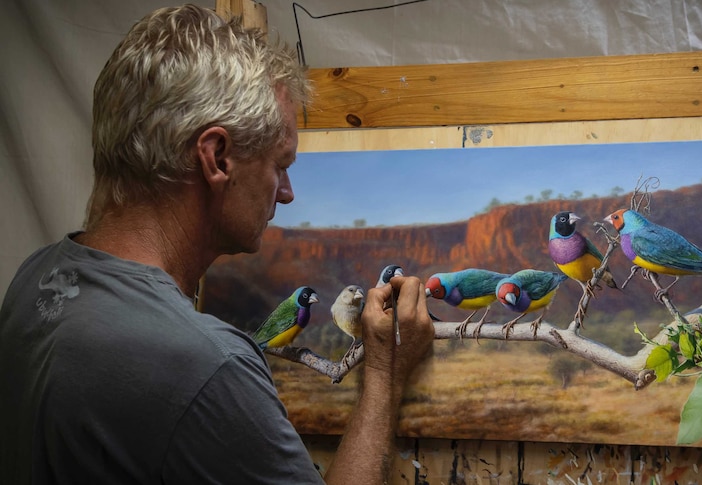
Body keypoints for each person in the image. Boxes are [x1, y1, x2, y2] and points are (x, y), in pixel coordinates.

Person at [0, 5, 435, 484]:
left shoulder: (40, 276)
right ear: (218, 157)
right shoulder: (207, 367)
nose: (287, 193)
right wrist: (384, 374)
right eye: (280, 164)